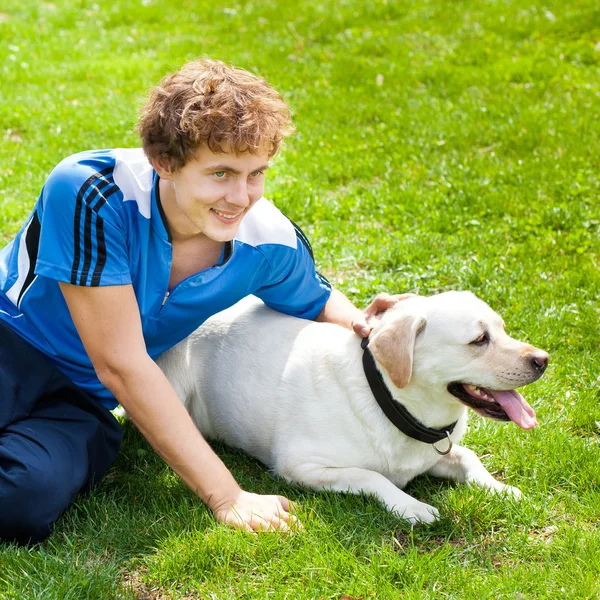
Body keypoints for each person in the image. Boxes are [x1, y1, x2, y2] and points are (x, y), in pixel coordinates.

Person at [0, 59, 401, 544]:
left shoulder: (269, 241)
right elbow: (121, 364)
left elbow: (318, 302)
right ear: (163, 161)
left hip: (81, 401)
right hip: (11, 346)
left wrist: (371, 325)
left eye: (256, 174)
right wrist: (227, 495)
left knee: (23, 502)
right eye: (220, 173)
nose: (240, 196)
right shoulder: (91, 190)